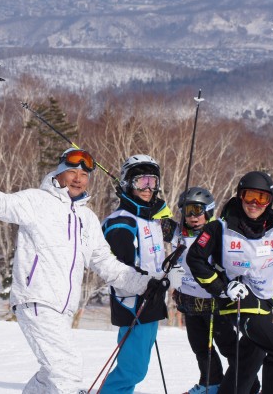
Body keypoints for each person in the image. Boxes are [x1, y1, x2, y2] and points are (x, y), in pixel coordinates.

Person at [0, 147, 165, 394]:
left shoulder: (88, 218)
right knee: (67, 370)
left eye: (83, 175)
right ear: (59, 172)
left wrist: (145, 283)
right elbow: (3, 205)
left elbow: (107, 263)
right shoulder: (37, 201)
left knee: (51, 373)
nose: (77, 179)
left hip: (64, 308)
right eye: (72, 171)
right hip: (37, 299)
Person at [186, 171, 273, 394]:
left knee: (250, 358)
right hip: (239, 304)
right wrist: (222, 289)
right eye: (249, 196)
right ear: (240, 196)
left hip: (264, 305)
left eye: (262, 198)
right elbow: (195, 258)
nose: (254, 203)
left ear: (270, 200)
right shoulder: (220, 228)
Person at [172, 187, 259, 394]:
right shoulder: (178, 234)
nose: (193, 217)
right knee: (201, 348)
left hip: (214, 303)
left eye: (197, 210)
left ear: (209, 211)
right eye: (187, 211)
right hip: (190, 303)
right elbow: (173, 261)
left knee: (229, 348)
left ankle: (250, 386)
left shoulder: (217, 234)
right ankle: (210, 384)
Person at [99, 154, 171, 394]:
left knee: (136, 367)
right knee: (133, 369)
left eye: (153, 182)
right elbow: (120, 267)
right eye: (142, 182)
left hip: (151, 300)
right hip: (134, 302)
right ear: (129, 183)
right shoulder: (121, 222)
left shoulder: (149, 219)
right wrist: (148, 284)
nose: (149, 188)